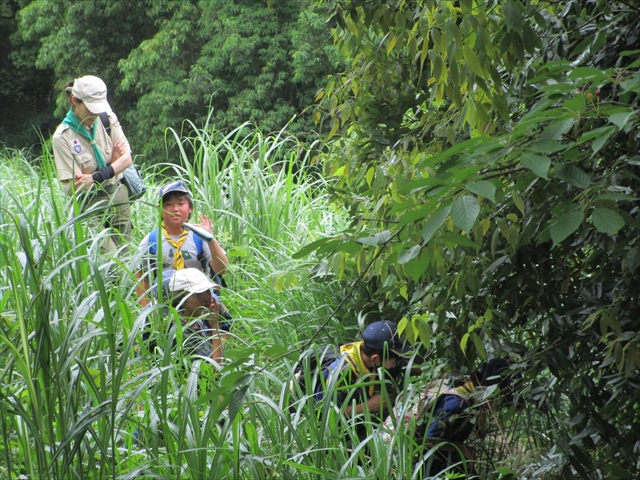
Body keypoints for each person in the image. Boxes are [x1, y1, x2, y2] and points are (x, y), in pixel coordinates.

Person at [382, 358, 520, 475]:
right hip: (396, 456)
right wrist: (463, 449)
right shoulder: (458, 404)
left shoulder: (463, 383)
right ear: (494, 390)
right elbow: (428, 442)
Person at [52, 75, 133, 252]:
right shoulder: (63, 137)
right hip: (90, 206)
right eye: (90, 109)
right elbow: (71, 187)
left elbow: (127, 159)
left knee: (127, 261)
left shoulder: (107, 118)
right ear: (75, 101)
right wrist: (112, 164)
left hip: (118, 195)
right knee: (112, 262)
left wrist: (95, 176)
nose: (95, 114)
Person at [135, 180, 229, 305]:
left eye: (180, 203)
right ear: (160, 209)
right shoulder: (151, 240)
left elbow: (222, 270)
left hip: (200, 300)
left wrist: (211, 240)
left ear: (190, 208)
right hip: (165, 302)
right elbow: (142, 278)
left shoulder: (200, 237)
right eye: (168, 204)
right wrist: (147, 311)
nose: (175, 209)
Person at [314, 321, 411, 431]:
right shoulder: (338, 372)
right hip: (332, 428)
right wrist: (368, 406)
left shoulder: (372, 354)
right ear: (375, 358)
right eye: (395, 360)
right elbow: (326, 412)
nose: (397, 362)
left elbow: (404, 365)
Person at [141, 268, 224, 363]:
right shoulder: (179, 332)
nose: (206, 297)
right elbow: (214, 371)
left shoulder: (197, 320)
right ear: (180, 297)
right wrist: (215, 326)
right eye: (198, 293)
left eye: (207, 290)